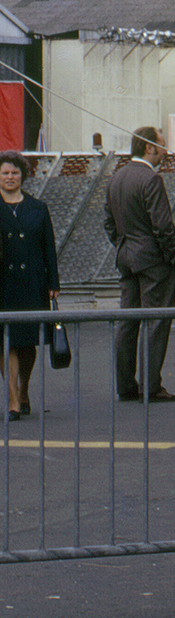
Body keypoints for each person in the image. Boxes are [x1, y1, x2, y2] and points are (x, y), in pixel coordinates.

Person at [106, 126, 175, 402]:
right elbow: (162, 225)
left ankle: (126, 385)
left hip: (126, 256)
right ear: (149, 147)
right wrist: (174, 255)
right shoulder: (151, 179)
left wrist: (123, 245)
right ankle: (150, 386)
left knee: (128, 320)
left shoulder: (117, 178)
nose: (165, 150)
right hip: (152, 259)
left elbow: (108, 222)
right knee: (156, 321)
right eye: (162, 145)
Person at [0, 152, 58, 421]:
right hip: (4, 283)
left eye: (14, 173)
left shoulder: (38, 208)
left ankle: (24, 390)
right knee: (6, 341)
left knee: (27, 343)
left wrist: (53, 283)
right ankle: (12, 397)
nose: (10, 177)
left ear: (23, 175)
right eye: (5, 173)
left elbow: (49, 248)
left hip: (33, 282)